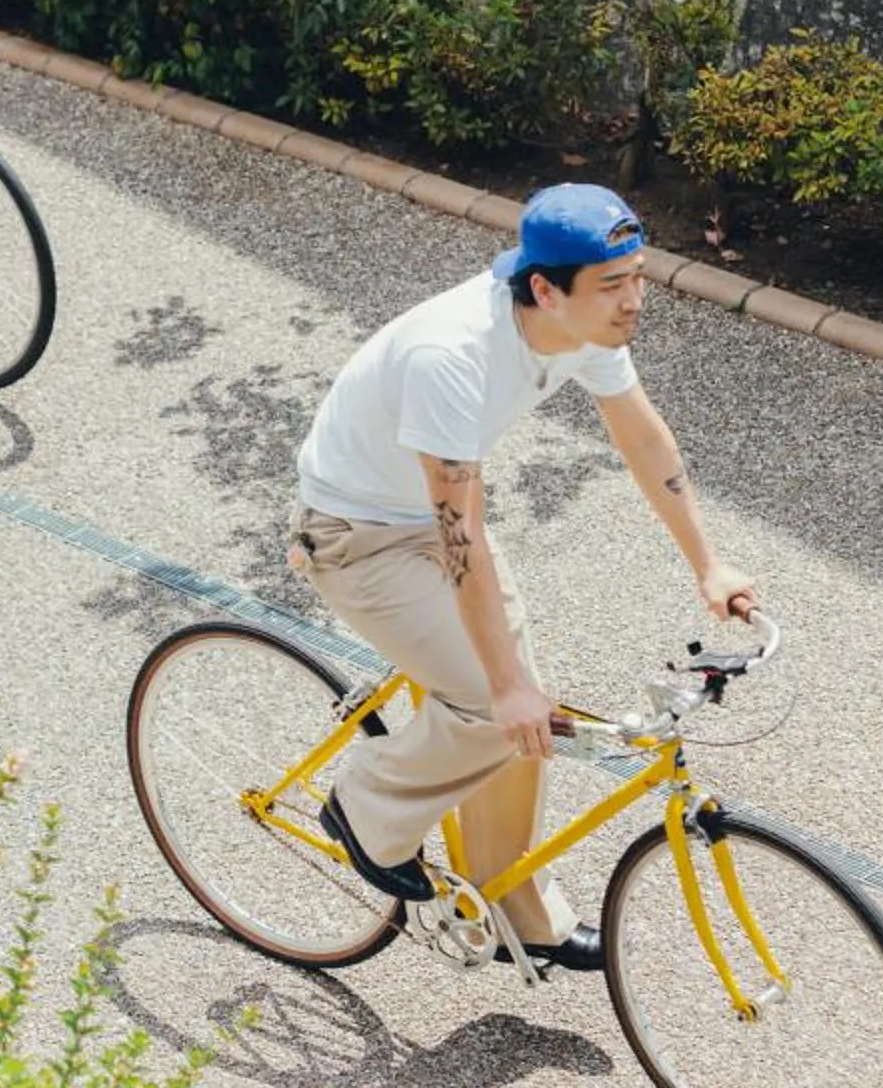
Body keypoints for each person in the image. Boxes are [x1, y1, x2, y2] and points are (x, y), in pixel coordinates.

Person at [290, 185, 757, 971]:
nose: (633, 300)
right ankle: (364, 809)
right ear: (544, 288)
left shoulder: (585, 323)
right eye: (614, 285)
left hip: (430, 519)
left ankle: (511, 902)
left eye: (638, 277)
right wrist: (501, 686)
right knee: (492, 703)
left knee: (525, 720)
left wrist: (709, 564)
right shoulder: (453, 357)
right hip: (357, 536)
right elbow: (458, 531)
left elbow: (642, 440)